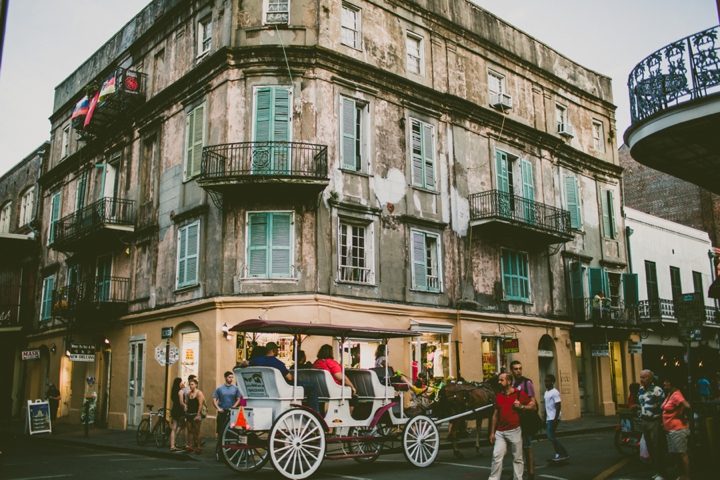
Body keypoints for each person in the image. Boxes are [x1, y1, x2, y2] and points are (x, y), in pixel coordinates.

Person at [240, 342, 319, 412]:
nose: (277, 351)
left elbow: (245, 363)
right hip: (280, 389)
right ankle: (313, 411)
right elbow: (289, 378)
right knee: (312, 386)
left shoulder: (258, 360)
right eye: (277, 350)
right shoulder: (277, 363)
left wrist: (240, 365)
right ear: (273, 350)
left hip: (265, 389)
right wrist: (296, 379)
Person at [489, 372, 536, 480]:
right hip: (500, 431)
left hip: (515, 430)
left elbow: (532, 406)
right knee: (496, 456)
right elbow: (495, 415)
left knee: (517, 458)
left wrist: (521, 406)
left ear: (509, 382)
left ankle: (518, 478)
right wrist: (492, 432)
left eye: (501, 380)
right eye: (499, 380)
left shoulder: (519, 394)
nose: (499, 382)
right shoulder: (499, 396)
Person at [634, 369, 668, 480]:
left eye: (644, 377)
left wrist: (663, 423)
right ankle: (656, 470)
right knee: (650, 447)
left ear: (651, 379)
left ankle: (662, 472)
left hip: (655, 421)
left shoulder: (657, 391)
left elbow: (663, 408)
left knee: (657, 447)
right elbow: (641, 405)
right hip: (645, 421)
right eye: (641, 377)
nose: (642, 379)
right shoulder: (640, 391)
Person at [510, 361, 537, 480]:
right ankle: (517, 474)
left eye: (520, 368)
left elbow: (533, 405)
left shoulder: (527, 383)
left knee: (527, 447)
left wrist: (522, 407)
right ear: (512, 370)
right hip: (514, 421)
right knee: (516, 449)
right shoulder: (511, 384)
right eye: (516, 369)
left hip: (525, 420)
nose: (518, 371)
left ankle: (531, 474)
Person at [313, 344, 359, 412]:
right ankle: (348, 414)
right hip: (332, 388)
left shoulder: (316, 363)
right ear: (331, 353)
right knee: (353, 395)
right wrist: (352, 387)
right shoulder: (331, 363)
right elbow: (341, 378)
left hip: (319, 389)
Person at [662, 375, 691, 480]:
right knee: (675, 454)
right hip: (669, 429)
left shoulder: (676, 395)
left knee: (681, 454)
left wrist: (681, 413)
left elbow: (687, 405)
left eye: (667, 381)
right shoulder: (670, 394)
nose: (664, 383)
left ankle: (686, 476)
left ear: (672, 383)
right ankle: (680, 475)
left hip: (677, 429)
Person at [213, 371, 242, 460]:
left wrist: (233, 407)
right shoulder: (220, 388)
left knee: (232, 432)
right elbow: (214, 399)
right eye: (229, 377)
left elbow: (238, 399)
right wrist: (218, 408)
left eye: (232, 377)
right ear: (225, 378)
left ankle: (230, 451)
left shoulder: (235, 388)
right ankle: (219, 451)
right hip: (223, 411)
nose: (231, 379)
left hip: (231, 412)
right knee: (220, 432)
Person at [543, 375, 569, 461]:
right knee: (551, 435)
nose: (546, 383)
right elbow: (546, 407)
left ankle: (560, 453)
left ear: (552, 382)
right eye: (545, 381)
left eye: (548, 381)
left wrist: (555, 418)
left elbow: (558, 405)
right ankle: (563, 453)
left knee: (550, 435)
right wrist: (544, 418)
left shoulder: (555, 392)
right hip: (548, 417)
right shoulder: (546, 393)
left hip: (554, 417)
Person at [184, 379, 205, 454]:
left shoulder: (199, 393)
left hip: (196, 414)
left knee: (197, 431)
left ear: (196, 385)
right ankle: (190, 446)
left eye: (192, 384)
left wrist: (198, 414)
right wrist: (185, 406)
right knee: (190, 430)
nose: (191, 386)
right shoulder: (188, 393)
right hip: (189, 414)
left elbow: (200, 404)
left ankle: (198, 447)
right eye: (190, 384)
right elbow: (186, 402)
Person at [169, 378, 186, 452]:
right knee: (184, 426)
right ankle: (185, 444)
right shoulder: (180, 391)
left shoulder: (173, 391)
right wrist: (185, 406)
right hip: (180, 411)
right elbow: (181, 402)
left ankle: (172, 445)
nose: (182, 383)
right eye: (181, 382)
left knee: (174, 428)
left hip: (174, 409)